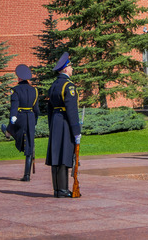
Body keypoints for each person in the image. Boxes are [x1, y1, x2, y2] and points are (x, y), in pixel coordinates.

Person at [45, 52, 81, 198]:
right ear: (65, 69)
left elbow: (49, 108)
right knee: (65, 155)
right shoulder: (68, 85)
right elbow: (72, 111)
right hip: (65, 122)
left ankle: (57, 189)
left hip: (55, 121)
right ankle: (64, 189)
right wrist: (76, 131)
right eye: (71, 66)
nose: (72, 69)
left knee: (56, 155)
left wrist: (51, 125)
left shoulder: (54, 85)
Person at [1, 64, 40, 181]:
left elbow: (14, 106)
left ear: (19, 78)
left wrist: (13, 116)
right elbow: (37, 109)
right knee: (29, 145)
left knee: (13, 129)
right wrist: (35, 120)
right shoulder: (35, 90)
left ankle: (8, 132)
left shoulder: (16, 90)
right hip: (31, 117)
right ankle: (27, 175)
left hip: (20, 116)